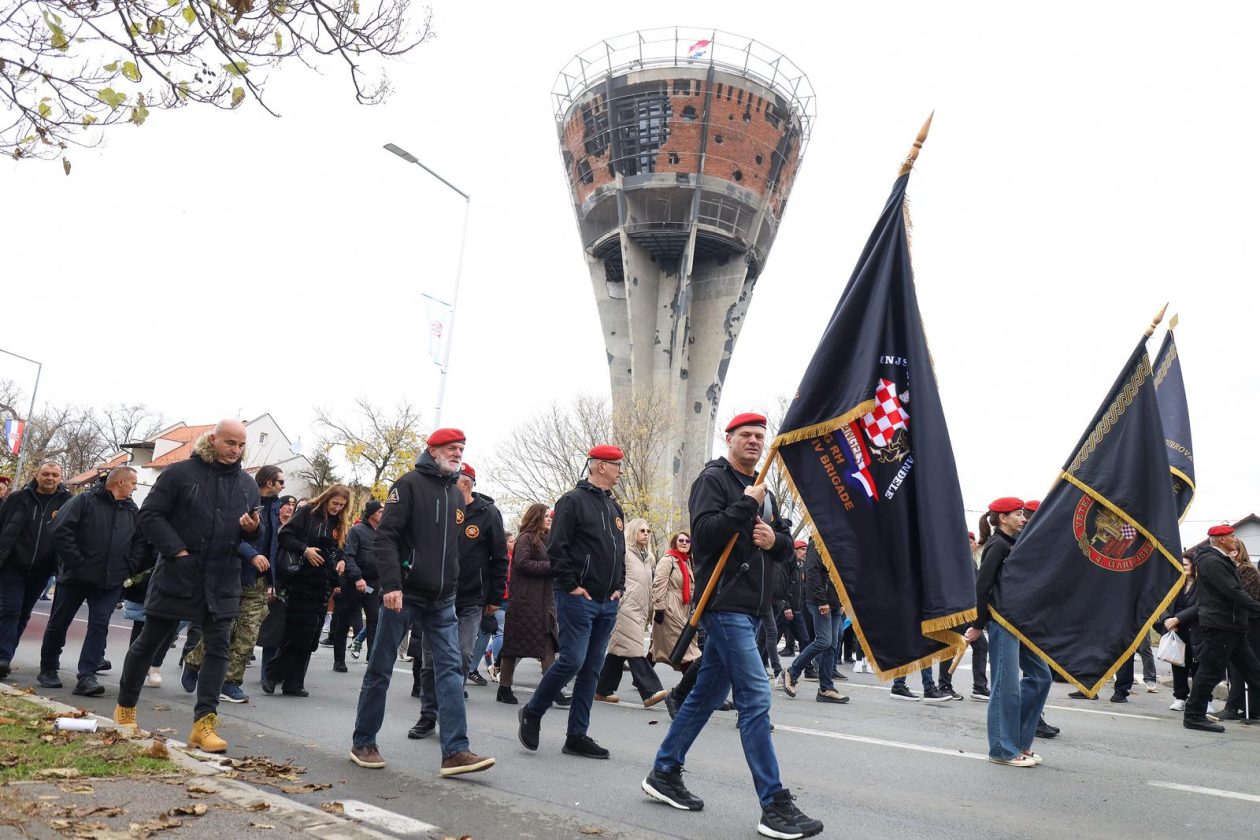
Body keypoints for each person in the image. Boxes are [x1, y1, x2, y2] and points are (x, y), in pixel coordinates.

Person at [642, 413, 823, 839]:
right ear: (730, 438)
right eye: (746, 435)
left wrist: (773, 540)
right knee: (756, 695)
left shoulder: (767, 491)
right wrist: (746, 502)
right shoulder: (714, 480)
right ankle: (773, 804)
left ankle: (664, 771)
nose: (755, 442)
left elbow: (781, 546)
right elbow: (703, 535)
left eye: (760, 436)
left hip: (754, 607)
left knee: (705, 696)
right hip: (723, 604)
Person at [348, 428, 495, 777]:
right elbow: (387, 538)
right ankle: (363, 742)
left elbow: (452, 550)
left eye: (461, 448)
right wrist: (392, 585)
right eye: (451, 448)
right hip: (405, 595)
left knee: (450, 672)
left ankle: (456, 752)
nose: (457, 453)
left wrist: (455, 583)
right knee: (381, 668)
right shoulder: (409, 484)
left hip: (443, 599)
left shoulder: (457, 496)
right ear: (432, 450)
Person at [113, 420, 260, 753]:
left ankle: (203, 725)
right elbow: (149, 515)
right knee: (151, 640)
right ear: (213, 439)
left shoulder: (247, 485)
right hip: (179, 574)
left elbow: (251, 533)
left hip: (223, 578)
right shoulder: (180, 473)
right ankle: (125, 709)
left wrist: (252, 530)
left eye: (240, 445)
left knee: (218, 649)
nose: (235, 450)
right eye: (230, 443)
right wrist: (177, 551)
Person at [518, 445, 626, 759]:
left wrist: (619, 585)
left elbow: (618, 550)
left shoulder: (614, 507)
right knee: (573, 661)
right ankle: (533, 711)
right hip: (579, 598)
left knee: (592, 669)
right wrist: (571, 586)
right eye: (617, 465)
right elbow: (558, 548)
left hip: (608, 601)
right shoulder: (572, 501)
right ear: (600, 466)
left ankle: (577, 735)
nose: (621, 470)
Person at [410, 463, 508, 736]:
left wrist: (495, 597)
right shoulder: (440, 508)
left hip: (470, 600)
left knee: (461, 657)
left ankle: (449, 717)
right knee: (429, 660)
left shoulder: (488, 515)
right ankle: (428, 715)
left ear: (465, 484)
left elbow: (499, 559)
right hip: (437, 596)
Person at [182, 464, 286, 703]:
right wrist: (251, 554)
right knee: (224, 632)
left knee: (248, 635)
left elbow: (271, 545)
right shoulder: (246, 499)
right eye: (281, 482)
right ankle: (193, 662)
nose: (283, 487)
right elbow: (229, 535)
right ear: (269, 482)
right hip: (234, 575)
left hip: (259, 582)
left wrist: (271, 581)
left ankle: (230, 683)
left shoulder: (274, 507)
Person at [37, 468, 140, 696]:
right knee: (59, 622)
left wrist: (128, 566)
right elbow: (59, 530)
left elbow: (139, 542)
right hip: (76, 577)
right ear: (120, 482)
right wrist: (76, 561)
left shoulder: (132, 509)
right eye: (133, 483)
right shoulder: (84, 500)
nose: (135, 487)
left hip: (110, 581)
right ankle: (48, 668)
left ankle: (87, 677)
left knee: (99, 627)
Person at [967, 497, 1050, 767]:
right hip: (1001, 622)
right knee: (1006, 687)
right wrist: (978, 624)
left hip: (1020, 622)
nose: (1023, 518)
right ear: (1003, 518)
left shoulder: (1015, 543)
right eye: (1018, 514)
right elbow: (982, 587)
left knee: (1041, 677)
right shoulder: (998, 545)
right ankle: (1002, 749)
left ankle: (1020, 743)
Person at [265, 484, 349, 696]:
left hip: (323, 583)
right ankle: (273, 674)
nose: (337, 508)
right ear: (327, 499)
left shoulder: (338, 523)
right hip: (302, 578)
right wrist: (305, 549)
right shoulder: (308, 512)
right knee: (298, 632)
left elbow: (338, 550)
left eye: (342, 505)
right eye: (335, 503)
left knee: (311, 637)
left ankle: (293, 682)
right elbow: (285, 535)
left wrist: (341, 562)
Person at [1182, 525, 1260, 732]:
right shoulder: (1211, 561)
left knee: (1253, 671)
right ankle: (1193, 715)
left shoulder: (1218, 560)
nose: (1235, 539)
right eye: (1232, 536)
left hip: (1232, 626)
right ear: (1222, 540)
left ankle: (1194, 714)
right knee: (1211, 671)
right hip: (1221, 625)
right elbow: (1233, 591)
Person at [0, 462, 71, 680]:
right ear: (37, 475)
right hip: (12, 565)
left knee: (22, 614)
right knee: (9, 610)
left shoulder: (67, 502)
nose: (50, 478)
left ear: (61, 477)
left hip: (42, 569)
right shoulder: (18, 498)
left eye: (55, 475)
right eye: (46, 474)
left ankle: (5, 657)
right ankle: (3, 657)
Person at [596, 518, 668, 706]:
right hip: (625, 608)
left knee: (618, 652)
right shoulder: (625, 553)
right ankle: (651, 690)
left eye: (648, 531)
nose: (646, 533)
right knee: (635, 649)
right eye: (642, 530)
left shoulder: (648, 557)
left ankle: (602, 690)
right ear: (633, 532)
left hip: (640, 610)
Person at [497, 505, 559, 705]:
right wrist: (551, 567)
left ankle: (552, 689)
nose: (549, 518)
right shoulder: (525, 538)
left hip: (543, 602)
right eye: (546, 515)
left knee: (547, 644)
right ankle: (504, 688)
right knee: (513, 647)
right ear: (536, 517)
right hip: (525, 602)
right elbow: (522, 564)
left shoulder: (547, 539)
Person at [783, 543, 849, 705]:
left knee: (832, 644)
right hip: (821, 601)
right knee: (824, 640)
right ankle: (792, 672)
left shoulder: (837, 540)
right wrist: (821, 600)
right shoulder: (818, 540)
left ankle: (826, 688)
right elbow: (812, 571)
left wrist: (841, 601)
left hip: (833, 601)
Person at [333, 500, 383, 671]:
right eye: (379, 511)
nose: (383, 514)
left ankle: (373, 658)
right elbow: (349, 556)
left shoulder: (383, 532)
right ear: (370, 513)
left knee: (374, 620)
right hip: (353, 583)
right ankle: (339, 659)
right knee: (344, 620)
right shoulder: (356, 531)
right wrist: (357, 577)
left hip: (373, 585)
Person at [1219, 540, 1260, 720]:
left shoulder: (1246, 570)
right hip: (1235, 623)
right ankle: (1240, 707)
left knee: (1242, 667)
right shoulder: (1229, 570)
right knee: (1237, 667)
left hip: (1250, 625)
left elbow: (1246, 598)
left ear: (1235, 552)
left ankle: (1234, 708)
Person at [651, 532, 700, 673]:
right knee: (684, 647)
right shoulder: (668, 560)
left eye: (687, 541)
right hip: (669, 609)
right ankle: (691, 685)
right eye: (681, 540)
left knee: (655, 648)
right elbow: (658, 585)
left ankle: (642, 678)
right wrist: (659, 609)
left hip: (683, 609)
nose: (684, 543)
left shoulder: (687, 562)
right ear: (675, 542)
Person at [1163, 555, 1199, 712]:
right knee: (1178, 665)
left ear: (1193, 566)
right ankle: (1180, 698)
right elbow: (1162, 603)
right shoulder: (1175, 583)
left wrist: (1177, 619)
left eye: (1186, 564)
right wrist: (1167, 621)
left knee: (1198, 666)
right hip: (1176, 631)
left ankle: (1203, 699)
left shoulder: (1202, 585)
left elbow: (1200, 606)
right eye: (1181, 564)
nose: (1183, 567)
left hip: (1197, 630)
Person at [774, 541, 810, 659]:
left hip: (797, 610)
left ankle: (807, 668)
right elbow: (782, 586)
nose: (805, 552)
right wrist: (786, 607)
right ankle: (762, 664)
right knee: (773, 638)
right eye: (803, 549)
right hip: (785, 609)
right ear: (795, 550)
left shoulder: (802, 567)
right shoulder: (786, 564)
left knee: (805, 639)